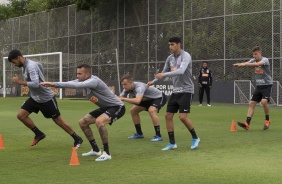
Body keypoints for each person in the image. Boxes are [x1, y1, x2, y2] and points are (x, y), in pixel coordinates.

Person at [41, 64, 125, 161]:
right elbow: (71, 82)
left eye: (80, 74)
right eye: (77, 73)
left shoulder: (94, 81)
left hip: (117, 106)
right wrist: (52, 84)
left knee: (99, 121)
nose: (77, 76)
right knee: (83, 122)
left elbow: (77, 85)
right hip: (105, 107)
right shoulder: (83, 80)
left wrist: (53, 84)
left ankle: (106, 153)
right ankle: (95, 150)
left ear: (88, 74)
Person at [8, 49, 83, 147]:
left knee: (58, 121)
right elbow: (40, 66)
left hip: (46, 98)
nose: (14, 64)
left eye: (14, 62)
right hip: (35, 98)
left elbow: (35, 84)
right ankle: (39, 134)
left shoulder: (31, 66)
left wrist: (19, 82)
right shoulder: (26, 66)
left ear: (19, 58)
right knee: (21, 115)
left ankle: (77, 138)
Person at [148, 36, 200, 150]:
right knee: (168, 115)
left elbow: (181, 71)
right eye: (169, 45)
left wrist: (164, 75)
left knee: (182, 117)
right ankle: (172, 143)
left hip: (187, 90)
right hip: (175, 91)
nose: (170, 47)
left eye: (172, 44)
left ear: (178, 44)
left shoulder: (186, 56)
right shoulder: (170, 58)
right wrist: (153, 81)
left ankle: (195, 138)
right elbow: (163, 72)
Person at [233, 46, 272, 130]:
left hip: (267, 85)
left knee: (264, 102)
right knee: (251, 103)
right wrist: (239, 64)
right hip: (259, 86)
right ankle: (247, 124)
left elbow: (257, 64)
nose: (254, 56)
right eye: (253, 54)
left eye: (256, 54)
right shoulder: (253, 60)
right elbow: (247, 62)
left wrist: (246, 64)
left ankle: (267, 120)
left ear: (260, 53)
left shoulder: (265, 60)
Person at [119, 74, 167, 142]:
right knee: (133, 111)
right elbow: (119, 99)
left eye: (125, 84)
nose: (124, 86)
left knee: (152, 111)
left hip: (158, 97)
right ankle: (139, 134)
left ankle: (158, 135)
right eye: (122, 85)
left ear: (131, 82)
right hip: (146, 100)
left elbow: (137, 101)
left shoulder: (139, 87)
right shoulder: (126, 89)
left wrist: (123, 99)